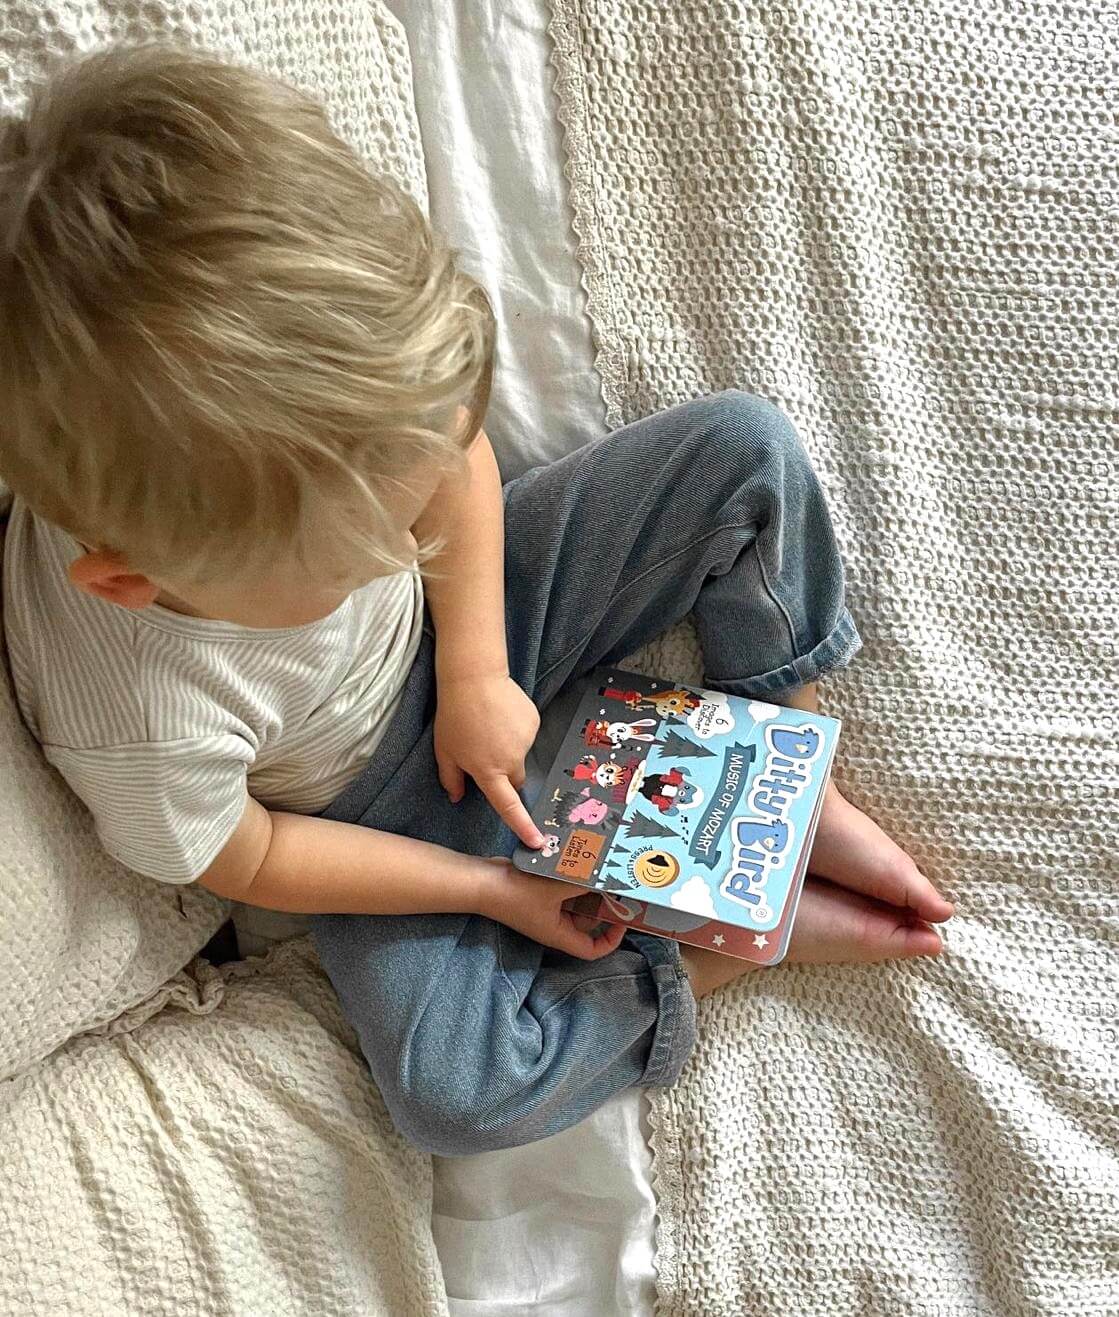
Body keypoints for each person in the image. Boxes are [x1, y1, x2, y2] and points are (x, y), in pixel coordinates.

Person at [0, 44, 954, 1157]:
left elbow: (453, 462)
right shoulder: (135, 717)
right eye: (359, 554)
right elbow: (250, 855)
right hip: (370, 809)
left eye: (408, 497)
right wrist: (486, 888)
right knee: (458, 1091)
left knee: (743, 451)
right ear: (131, 579)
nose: (397, 547)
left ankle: (785, 767)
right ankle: (707, 950)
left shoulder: (331, 426)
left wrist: (474, 666)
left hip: (483, 619)